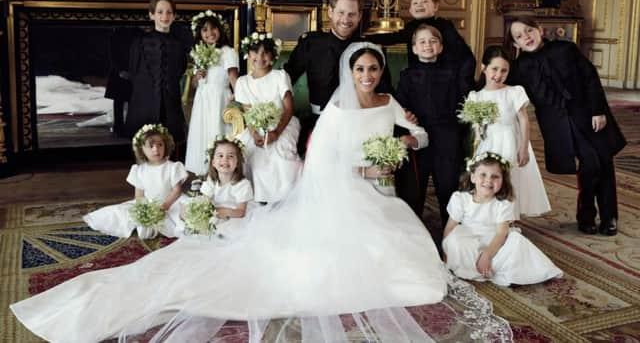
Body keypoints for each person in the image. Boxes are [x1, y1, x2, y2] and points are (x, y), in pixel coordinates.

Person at [10, 42, 512, 343]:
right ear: (349, 73)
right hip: (343, 194)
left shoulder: (388, 100)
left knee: (416, 267)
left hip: (380, 191)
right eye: (360, 70)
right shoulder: (337, 112)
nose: (367, 76)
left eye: (373, 70)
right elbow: (320, 162)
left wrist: (401, 144)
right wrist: (358, 171)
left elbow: (417, 133)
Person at [507, 18, 626, 236]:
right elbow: (502, 87)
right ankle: (587, 213)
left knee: (604, 162)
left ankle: (609, 217)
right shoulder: (520, 68)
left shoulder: (566, 49)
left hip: (589, 114)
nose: (526, 36)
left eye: (529, 30)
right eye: (519, 36)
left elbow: (590, 78)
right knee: (591, 162)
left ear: (540, 29)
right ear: (516, 45)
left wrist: (598, 110)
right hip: (559, 125)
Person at [284, 0, 393, 153]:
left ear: (359, 16)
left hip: (360, 123)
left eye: (351, 14)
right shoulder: (311, 44)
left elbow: (386, 90)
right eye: (341, 12)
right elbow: (286, 78)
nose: (345, 19)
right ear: (330, 12)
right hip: (320, 121)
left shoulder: (368, 48)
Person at [442, 152, 563, 286]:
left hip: (494, 241)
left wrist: (487, 254)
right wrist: (446, 250)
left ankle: (493, 266)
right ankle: (474, 268)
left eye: (495, 177)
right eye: (483, 175)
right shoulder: (461, 199)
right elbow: (450, 227)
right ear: (473, 177)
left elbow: (501, 233)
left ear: (503, 181)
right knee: (454, 240)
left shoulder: (503, 203)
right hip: (469, 239)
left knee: (517, 241)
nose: (489, 180)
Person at [396, 24, 475, 225]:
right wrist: (406, 114)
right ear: (414, 48)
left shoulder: (452, 73)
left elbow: (461, 102)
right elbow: (400, 104)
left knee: (448, 185)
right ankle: (413, 231)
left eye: (433, 41)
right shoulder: (407, 75)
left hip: (446, 135)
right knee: (414, 188)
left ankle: (451, 231)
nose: (427, 45)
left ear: (440, 47)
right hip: (418, 137)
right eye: (422, 42)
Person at [467, 45, 551, 218]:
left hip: (511, 142)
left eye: (504, 71)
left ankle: (509, 220)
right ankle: (491, 217)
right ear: (483, 68)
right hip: (488, 144)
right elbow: (475, 129)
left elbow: (524, 120)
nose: (498, 75)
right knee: (488, 180)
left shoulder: (514, 92)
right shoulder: (476, 96)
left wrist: (523, 147)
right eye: (494, 69)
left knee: (510, 180)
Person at [83, 123, 189, 238]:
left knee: (184, 214)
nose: (156, 149)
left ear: (166, 146)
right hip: (149, 204)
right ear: (142, 149)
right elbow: (139, 195)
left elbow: (177, 191)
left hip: (171, 203)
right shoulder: (140, 170)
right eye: (151, 146)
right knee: (121, 213)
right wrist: (143, 210)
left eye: (160, 145)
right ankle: (150, 224)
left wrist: (165, 206)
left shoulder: (173, 167)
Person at [235, 32, 302, 203]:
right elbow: (248, 113)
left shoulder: (280, 76)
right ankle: (257, 198)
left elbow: (288, 109)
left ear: (272, 55)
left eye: (265, 52)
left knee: (280, 155)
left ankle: (285, 197)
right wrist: (254, 134)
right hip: (256, 127)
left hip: (283, 123)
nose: (260, 57)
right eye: (255, 52)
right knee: (250, 153)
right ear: (248, 55)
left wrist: (277, 132)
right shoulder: (243, 82)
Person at [124, 0, 189, 146]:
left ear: (174, 16)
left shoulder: (178, 44)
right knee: (144, 143)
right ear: (151, 15)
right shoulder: (139, 42)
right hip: (144, 100)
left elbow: (180, 69)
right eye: (160, 12)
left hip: (170, 101)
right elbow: (133, 70)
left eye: (169, 12)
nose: (164, 16)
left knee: (169, 141)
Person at [184, 11, 239, 176]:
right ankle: (202, 172)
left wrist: (239, 99)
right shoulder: (199, 53)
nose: (210, 33)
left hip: (219, 98)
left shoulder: (227, 52)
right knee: (202, 133)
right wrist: (197, 76)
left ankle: (220, 172)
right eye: (205, 30)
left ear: (220, 30)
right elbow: (195, 84)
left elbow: (233, 77)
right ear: (199, 34)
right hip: (203, 99)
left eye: (213, 28)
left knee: (217, 131)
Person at [367, 0, 475, 69]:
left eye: (425, 2)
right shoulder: (409, 27)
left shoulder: (444, 25)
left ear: (436, 6)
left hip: (442, 73)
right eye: (415, 3)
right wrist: (365, 37)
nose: (419, 5)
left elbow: (462, 52)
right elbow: (391, 38)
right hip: (415, 74)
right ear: (410, 9)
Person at [190, 135, 253, 237]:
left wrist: (222, 212)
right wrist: (203, 212)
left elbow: (241, 212)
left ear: (237, 163)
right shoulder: (212, 180)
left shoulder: (242, 185)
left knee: (228, 231)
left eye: (231, 156)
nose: (225, 159)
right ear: (213, 162)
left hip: (235, 215)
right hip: (217, 213)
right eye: (220, 156)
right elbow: (205, 201)